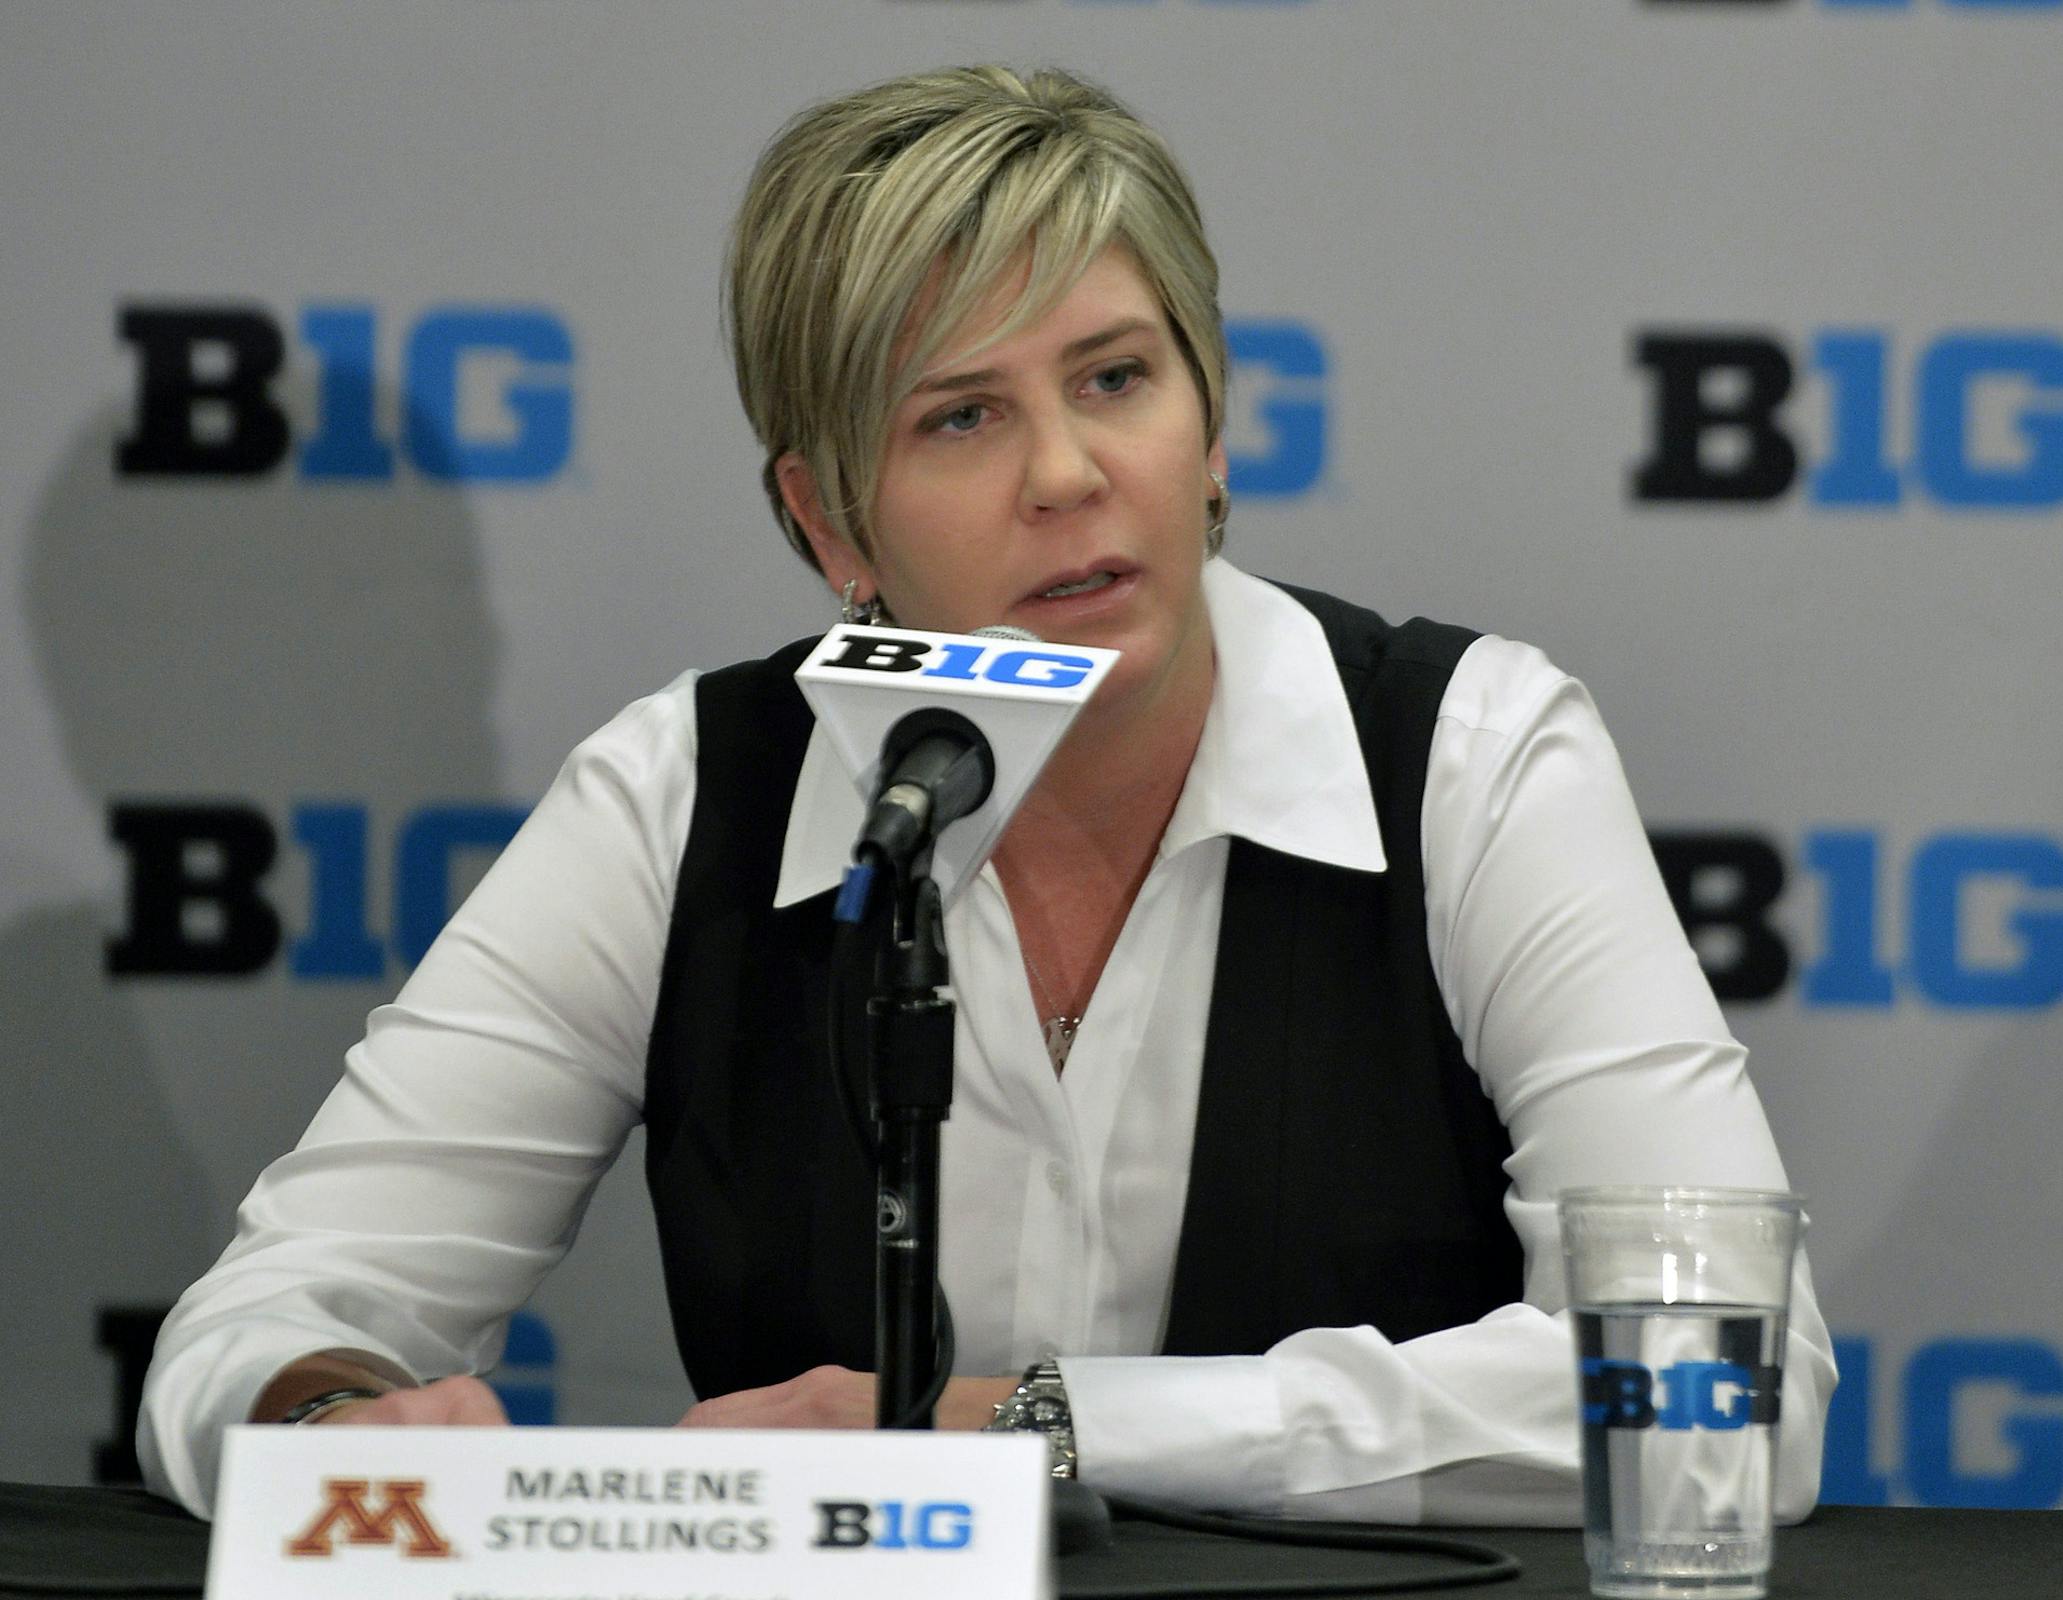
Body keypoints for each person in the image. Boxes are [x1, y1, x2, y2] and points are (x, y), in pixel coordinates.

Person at [139, 65, 1834, 1523]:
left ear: (1211, 421)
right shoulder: (689, 798)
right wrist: (330, 1421)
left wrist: (1042, 1431)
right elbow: (264, 1320)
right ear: (830, 523)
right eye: (960, 418)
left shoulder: (1468, 756)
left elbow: (1724, 1391)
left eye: (1117, 379)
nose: (1069, 473)